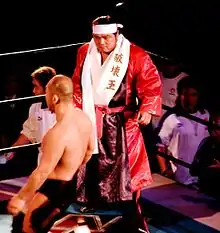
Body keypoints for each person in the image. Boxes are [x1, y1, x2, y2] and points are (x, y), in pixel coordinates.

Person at [72, 15, 162, 232]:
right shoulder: (85, 50)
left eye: (106, 38)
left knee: (128, 174)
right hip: (92, 116)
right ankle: (94, 202)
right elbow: (77, 84)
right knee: (91, 164)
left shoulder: (135, 55)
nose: (101, 43)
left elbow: (151, 84)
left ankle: (133, 218)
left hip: (122, 121)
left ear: (117, 34)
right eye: (97, 38)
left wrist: (147, 108)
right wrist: (76, 111)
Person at [7, 75, 94, 233]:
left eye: (46, 93)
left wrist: (21, 197)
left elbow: (42, 172)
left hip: (53, 187)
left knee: (28, 228)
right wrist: (71, 166)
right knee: (22, 222)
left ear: (54, 97)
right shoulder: (84, 118)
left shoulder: (56, 133)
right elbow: (90, 150)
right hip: (71, 183)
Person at [1, 66, 56, 176]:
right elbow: (28, 133)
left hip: (61, 163)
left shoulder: (62, 108)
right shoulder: (35, 107)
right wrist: (10, 152)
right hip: (42, 163)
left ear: (47, 87)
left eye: (36, 87)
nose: (33, 91)